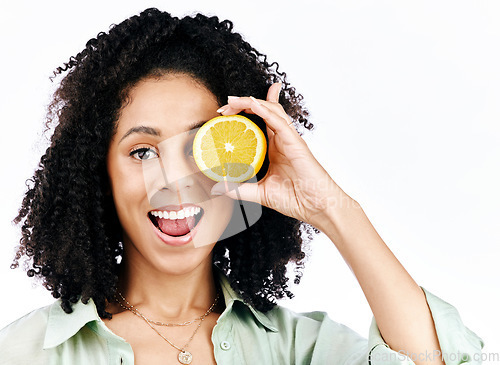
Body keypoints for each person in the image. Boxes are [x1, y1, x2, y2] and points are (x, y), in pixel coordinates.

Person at [0, 8, 483, 365]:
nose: (173, 181)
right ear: (97, 175)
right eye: (142, 152)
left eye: (198, 149)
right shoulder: (25, 352)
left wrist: (332, 208)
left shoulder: (298, 348)